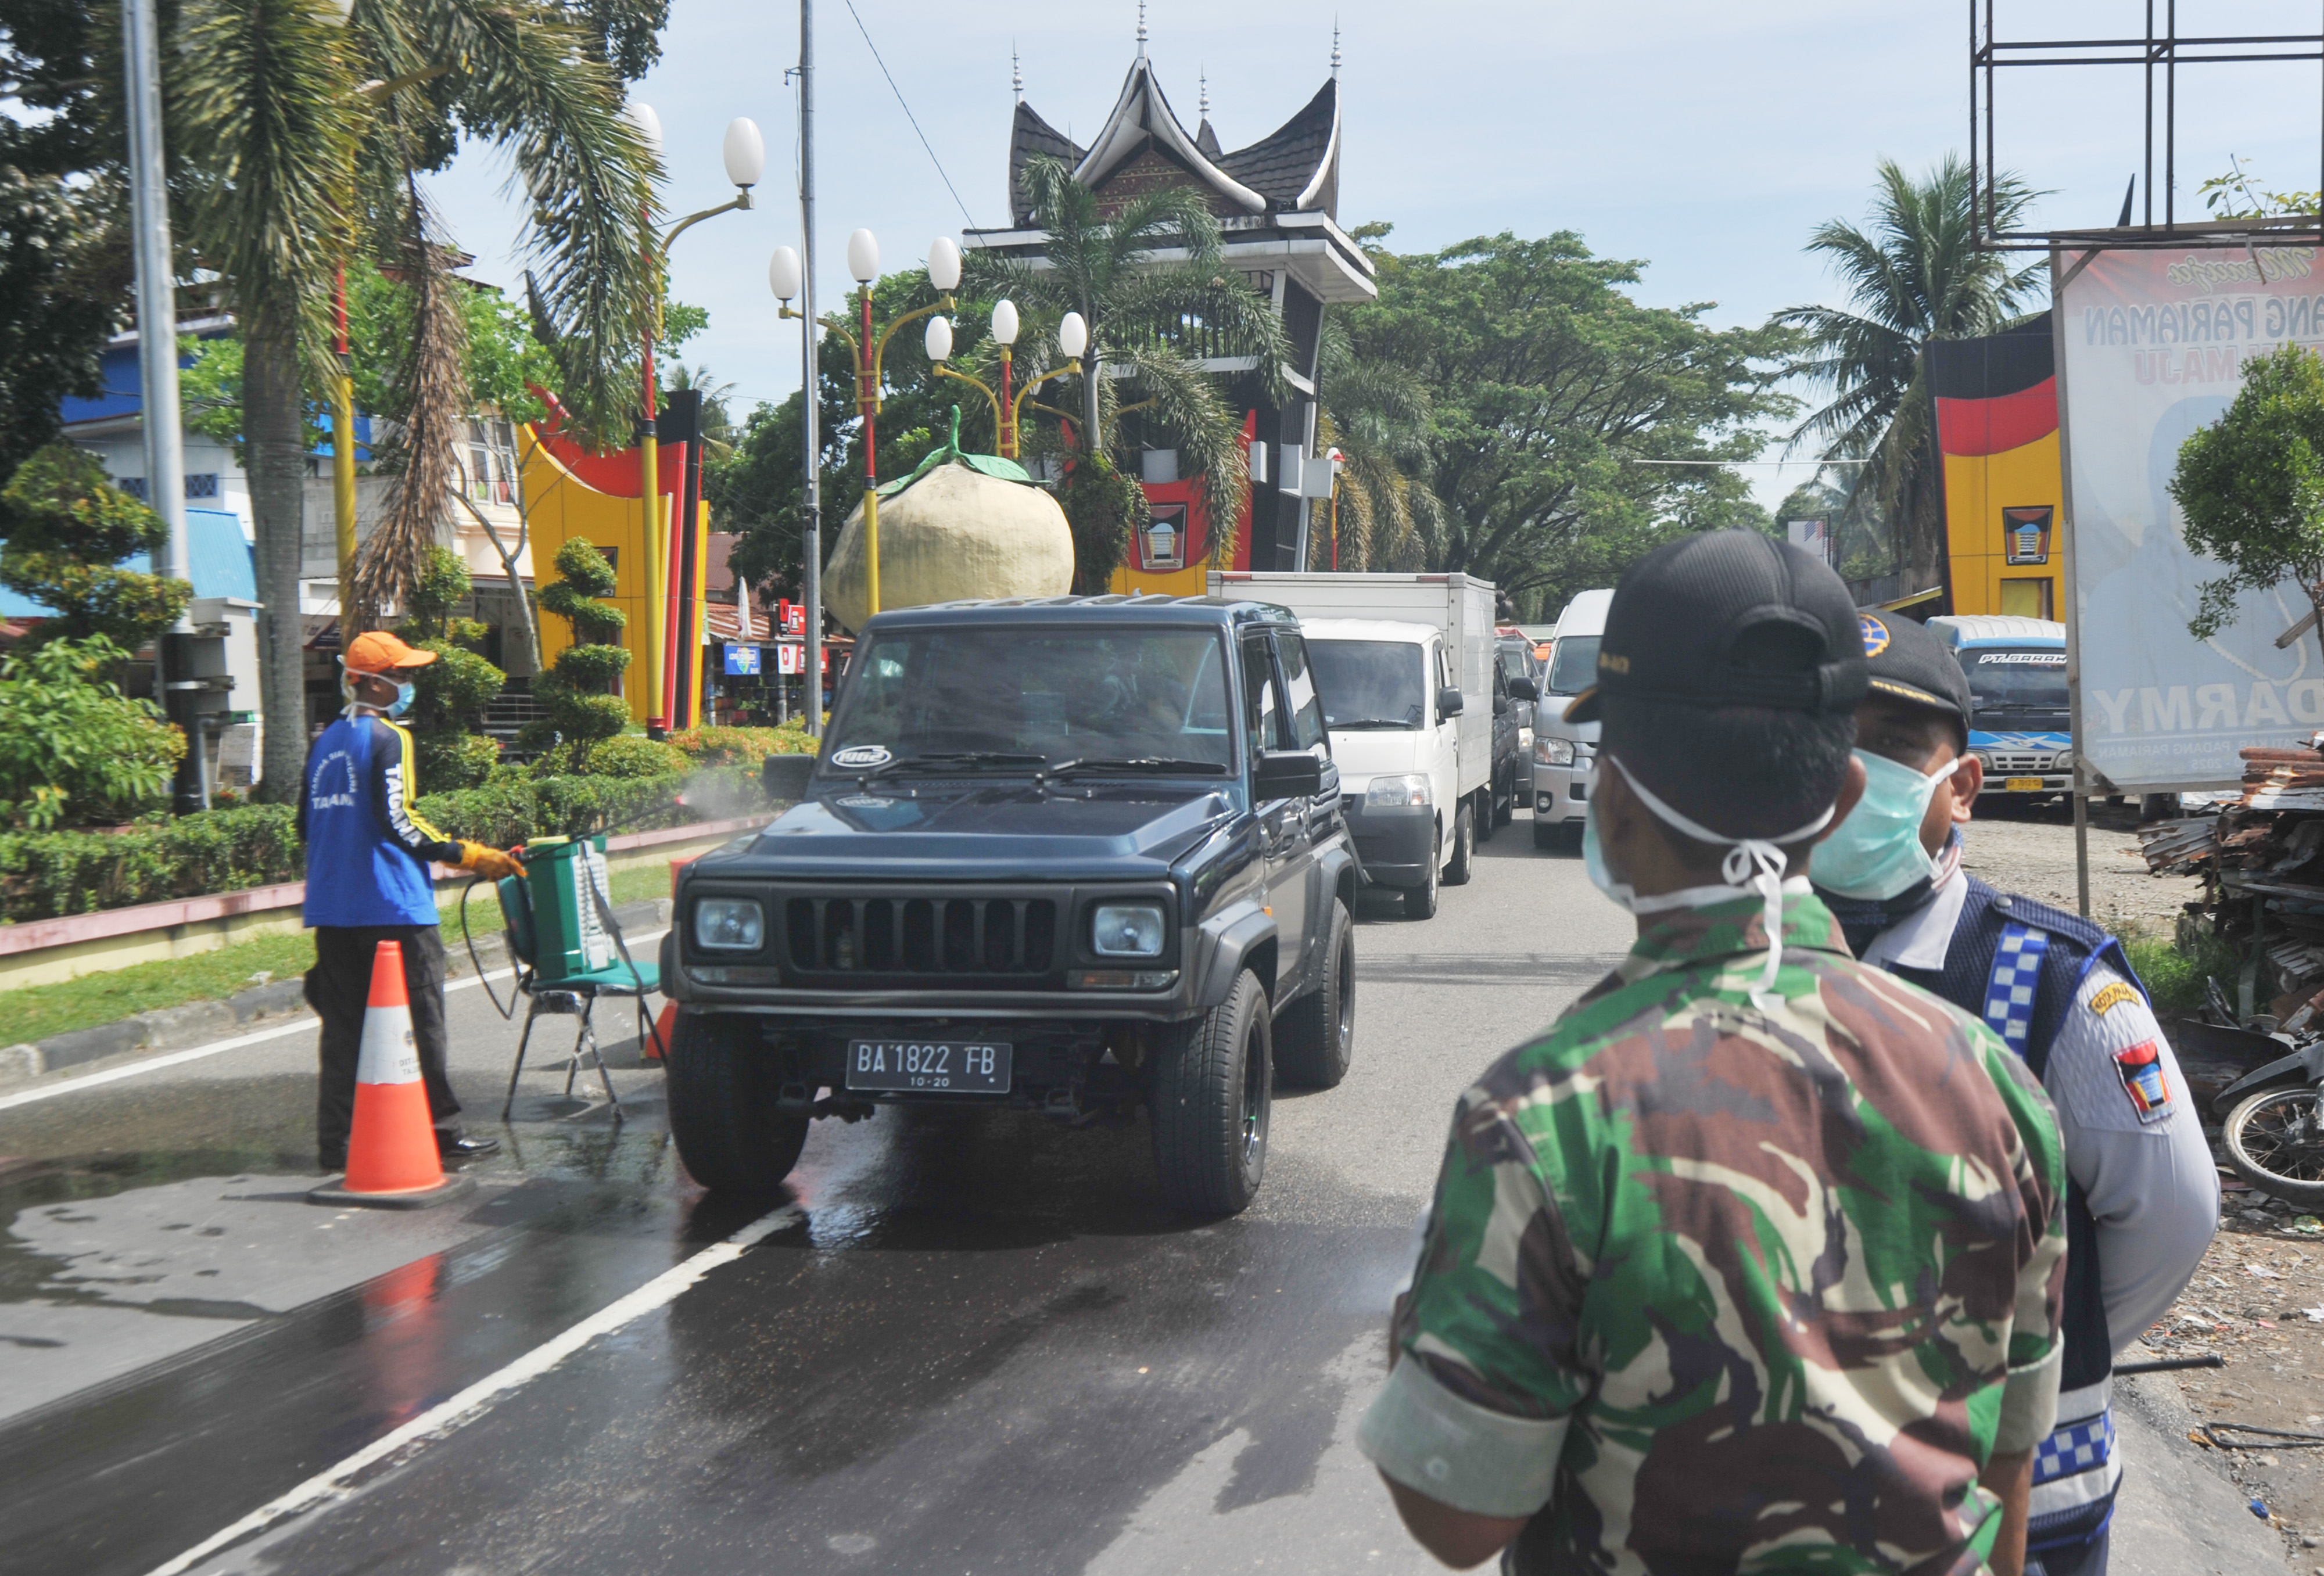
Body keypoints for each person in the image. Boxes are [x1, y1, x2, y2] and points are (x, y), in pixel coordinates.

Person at [1358, 531, 2068, 1576]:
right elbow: (2005, 1464)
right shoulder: (1994, 1084)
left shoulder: (1543, 1116)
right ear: (1839, 803)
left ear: (1611, 798)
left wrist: (1420, 1332)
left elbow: (1460, 1519)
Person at [1810, 610, 2218, 1576]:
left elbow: (2169, 1219)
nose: (1853, 775)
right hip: (1806, 1499)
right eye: (1828, 742)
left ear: (1963, 786)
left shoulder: (2055, 983)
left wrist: (2032, 1342)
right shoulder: (1744, 965)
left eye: (1893, 746)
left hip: (2026, 1499)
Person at [299, 630, 521, 1172]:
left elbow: (304, 825)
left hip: (332, 910)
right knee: (421, 1023)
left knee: (343, 1031)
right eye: (402, 675)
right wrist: (468, 854)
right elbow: (399, 821)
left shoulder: (324, 742)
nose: (409, 683)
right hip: (395, 908)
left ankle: (337, 1145)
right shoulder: (390, 738)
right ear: (375, 683)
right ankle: (442, 1134)